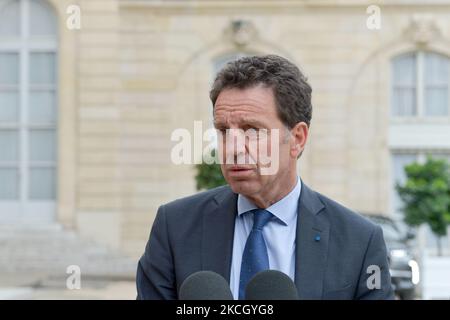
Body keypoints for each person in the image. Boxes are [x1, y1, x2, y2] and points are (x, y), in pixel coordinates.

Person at [136, 55, 394, 300]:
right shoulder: (175, 227)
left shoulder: (359, 242)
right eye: (224, 130)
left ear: (297, 138)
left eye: (252, 130)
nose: (233, 148)